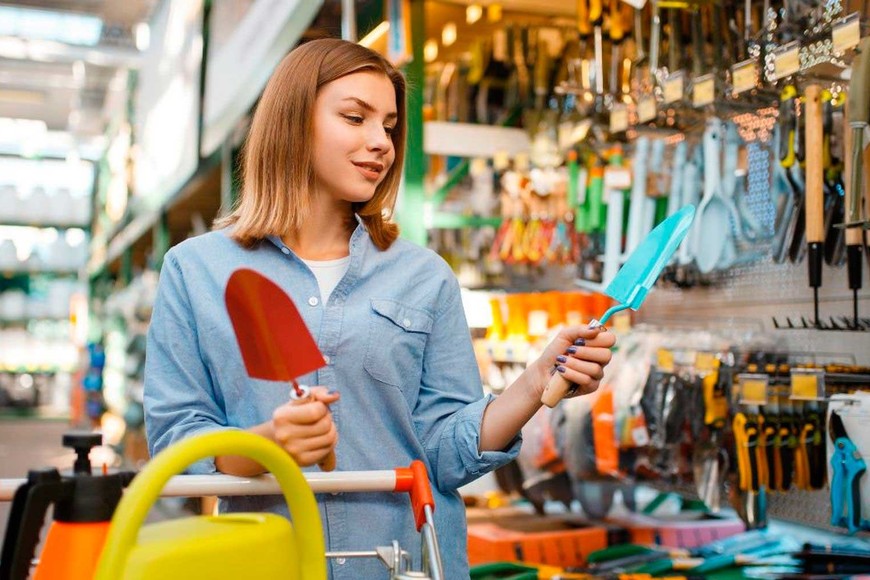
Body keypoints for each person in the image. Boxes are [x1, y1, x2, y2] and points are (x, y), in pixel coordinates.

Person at [144, 38, 616, 579]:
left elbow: (441, 450)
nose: (381, 144)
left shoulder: (424, 275)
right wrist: (267, 445)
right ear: (291, 122)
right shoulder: (196, 270)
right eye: (355, 118)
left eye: (389, 126)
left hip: (404, 562)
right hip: (266, 563)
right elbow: (176, 445)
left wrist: (534, 383)